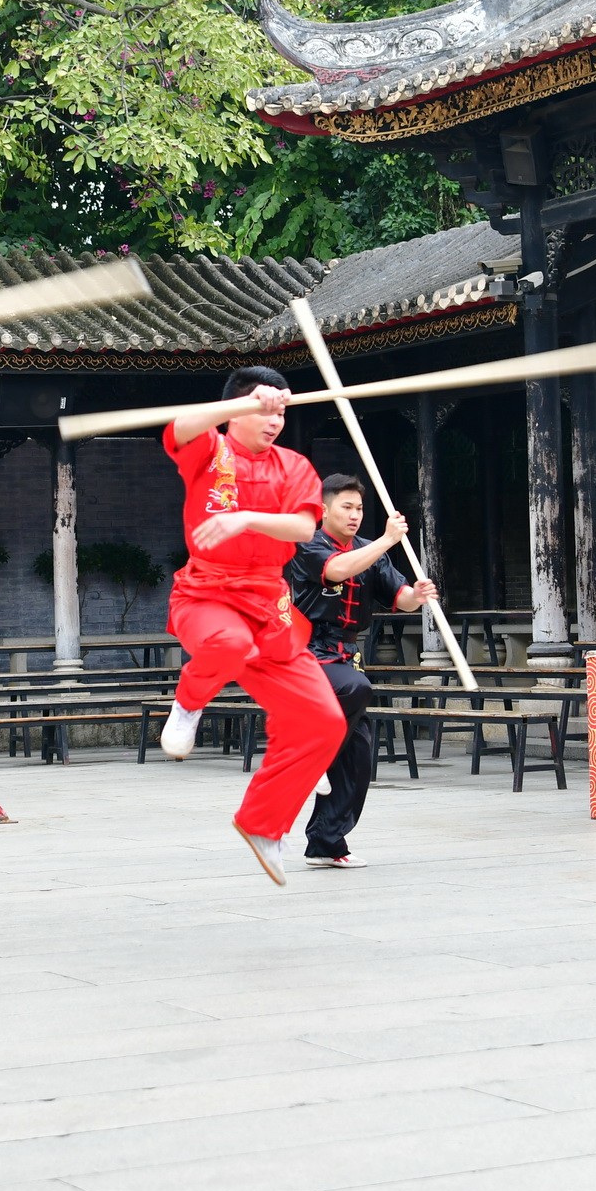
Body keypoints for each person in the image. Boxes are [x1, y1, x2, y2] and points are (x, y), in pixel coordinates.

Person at [156, 366, 346, 885]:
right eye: (266, 410)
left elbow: (304, 526)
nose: (275, 420)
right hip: (207, 593)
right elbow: (183, 425)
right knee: (227, 642)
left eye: (282, 412)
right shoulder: (208, 450)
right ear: (238, 409)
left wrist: (244, 519)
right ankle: (188, 705)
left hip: (268, 600)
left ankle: (264, 825)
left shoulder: (294, 466)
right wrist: (246, 402)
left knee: (324, 723)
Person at [287, 473, 438, 869]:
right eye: (346, 507)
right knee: (357, 688)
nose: (355, 515)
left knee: (357, 757)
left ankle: (325, 841)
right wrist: (388, 540)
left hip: (347, 654)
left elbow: (400, 599)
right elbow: (336, 571)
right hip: (307, 653)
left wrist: (418, 596)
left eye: (359, 508)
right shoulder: (308, 544)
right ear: (323, 509)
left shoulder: (372, 550)